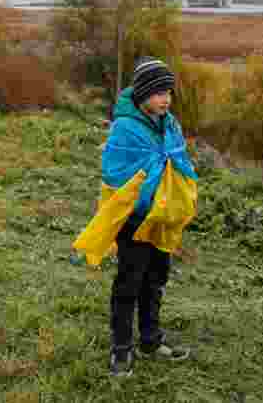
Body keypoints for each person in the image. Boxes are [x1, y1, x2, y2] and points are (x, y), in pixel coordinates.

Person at [72, 57, 198, 378]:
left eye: (168, 91)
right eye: (158, 92)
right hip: (132, 219)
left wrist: (174, 188)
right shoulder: (125, 128)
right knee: (129, 284)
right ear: (143, 95)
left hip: (160, 219)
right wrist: (154, 178)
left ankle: (151, 341)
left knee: (155, 281)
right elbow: (115, 172)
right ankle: (121, 350)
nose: (166, 98)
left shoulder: (169, 122)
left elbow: (178, 159)